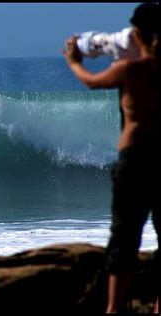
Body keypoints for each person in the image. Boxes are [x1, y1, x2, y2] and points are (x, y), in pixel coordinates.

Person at [64, 3, 160, 314]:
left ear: (137, 33)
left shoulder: (132, 69)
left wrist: (74, 61)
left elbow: (91, 82)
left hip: (134, 159)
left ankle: (114, 309)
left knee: (124, 236)